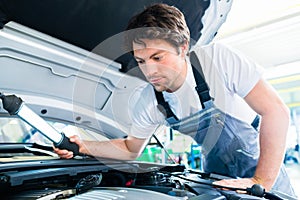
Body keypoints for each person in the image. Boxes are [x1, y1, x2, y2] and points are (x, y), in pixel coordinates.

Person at [54, 3, 296, 197]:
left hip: (265, 169)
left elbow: (275, 112)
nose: (149, 71)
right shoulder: (149, 100)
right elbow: (130, 148)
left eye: (157, 57)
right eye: (141, 61)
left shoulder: (217, 60)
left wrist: (260, 181)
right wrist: (82, 145)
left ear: (182, 47)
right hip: (216, 176)